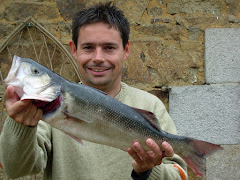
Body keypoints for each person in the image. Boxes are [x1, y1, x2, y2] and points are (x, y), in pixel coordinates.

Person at [0, 2, 188, 180]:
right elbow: (14, 169)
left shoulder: (150, 105)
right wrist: (20, 124)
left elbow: (179, 175)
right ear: (74, 50)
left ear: (126, 50)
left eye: (109, 48)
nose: (98, 58)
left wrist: (147, 172)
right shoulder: (41, 110)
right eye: (88, 47)